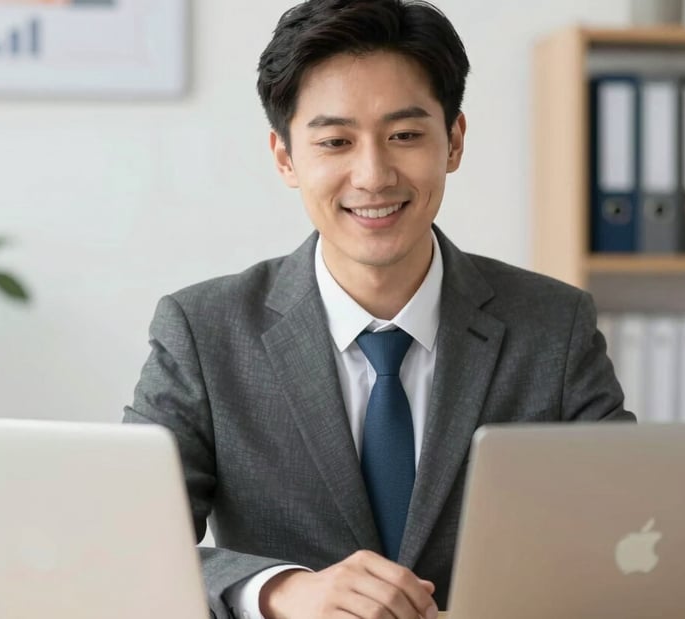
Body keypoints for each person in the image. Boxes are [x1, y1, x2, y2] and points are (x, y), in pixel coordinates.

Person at [124, 1, 634, 617]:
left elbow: (622, 532)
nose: (372, 175)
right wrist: (280, 590)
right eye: (336, 141)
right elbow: (127, 544)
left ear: (454, 141)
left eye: (405, 135)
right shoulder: (204, 332)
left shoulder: (554, 324)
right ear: (285, 156)